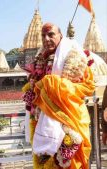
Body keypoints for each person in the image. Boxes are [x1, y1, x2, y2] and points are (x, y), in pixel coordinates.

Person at [22, 23, 95, 168]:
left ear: (60, 35)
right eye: (43, 36)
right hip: (43, 119)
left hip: (69, 119)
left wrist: (51, 83)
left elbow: (88, 87)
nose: (46, 39)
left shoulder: (75, 57)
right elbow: (36, 87)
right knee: (46, 160)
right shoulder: (40, 59)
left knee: (69, 161)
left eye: (51, 34)